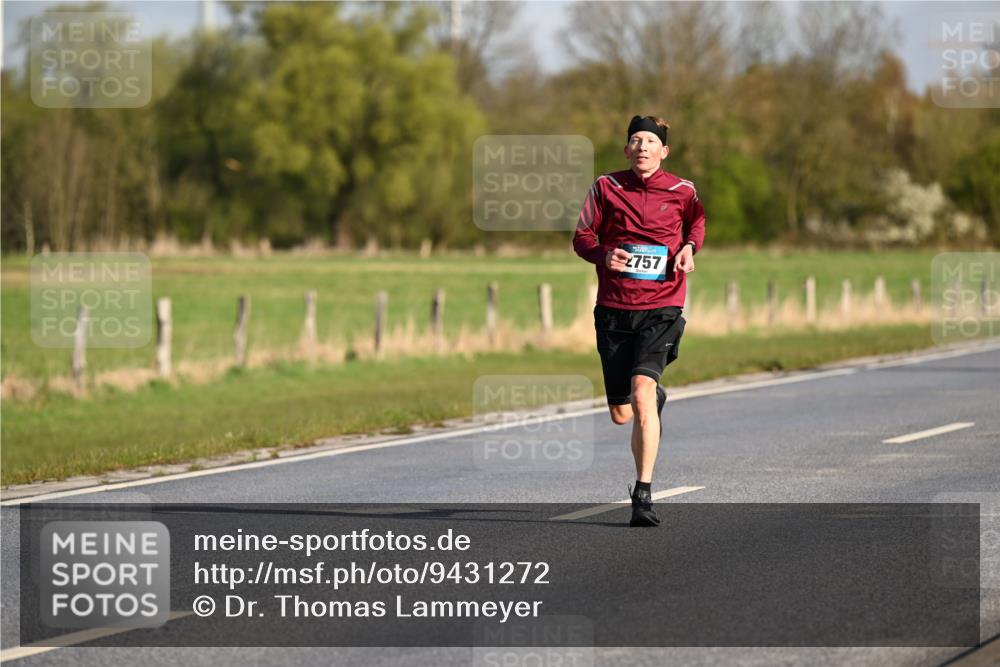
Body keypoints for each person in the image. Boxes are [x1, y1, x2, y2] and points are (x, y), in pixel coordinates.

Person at [572, 115, 706, 527]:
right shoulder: (606, 187)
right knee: (621, 412)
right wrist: (602, 255)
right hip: (614, 308)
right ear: (626, 149)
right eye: (635, 140)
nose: (642, 147)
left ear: (664, 151)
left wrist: (688, 247)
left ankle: (643, 495)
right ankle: (648, 397)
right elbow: (582, 237)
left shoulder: (683, 190)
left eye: (650, 141)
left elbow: (696, 222)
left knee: (642, 392)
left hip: (662, 307)